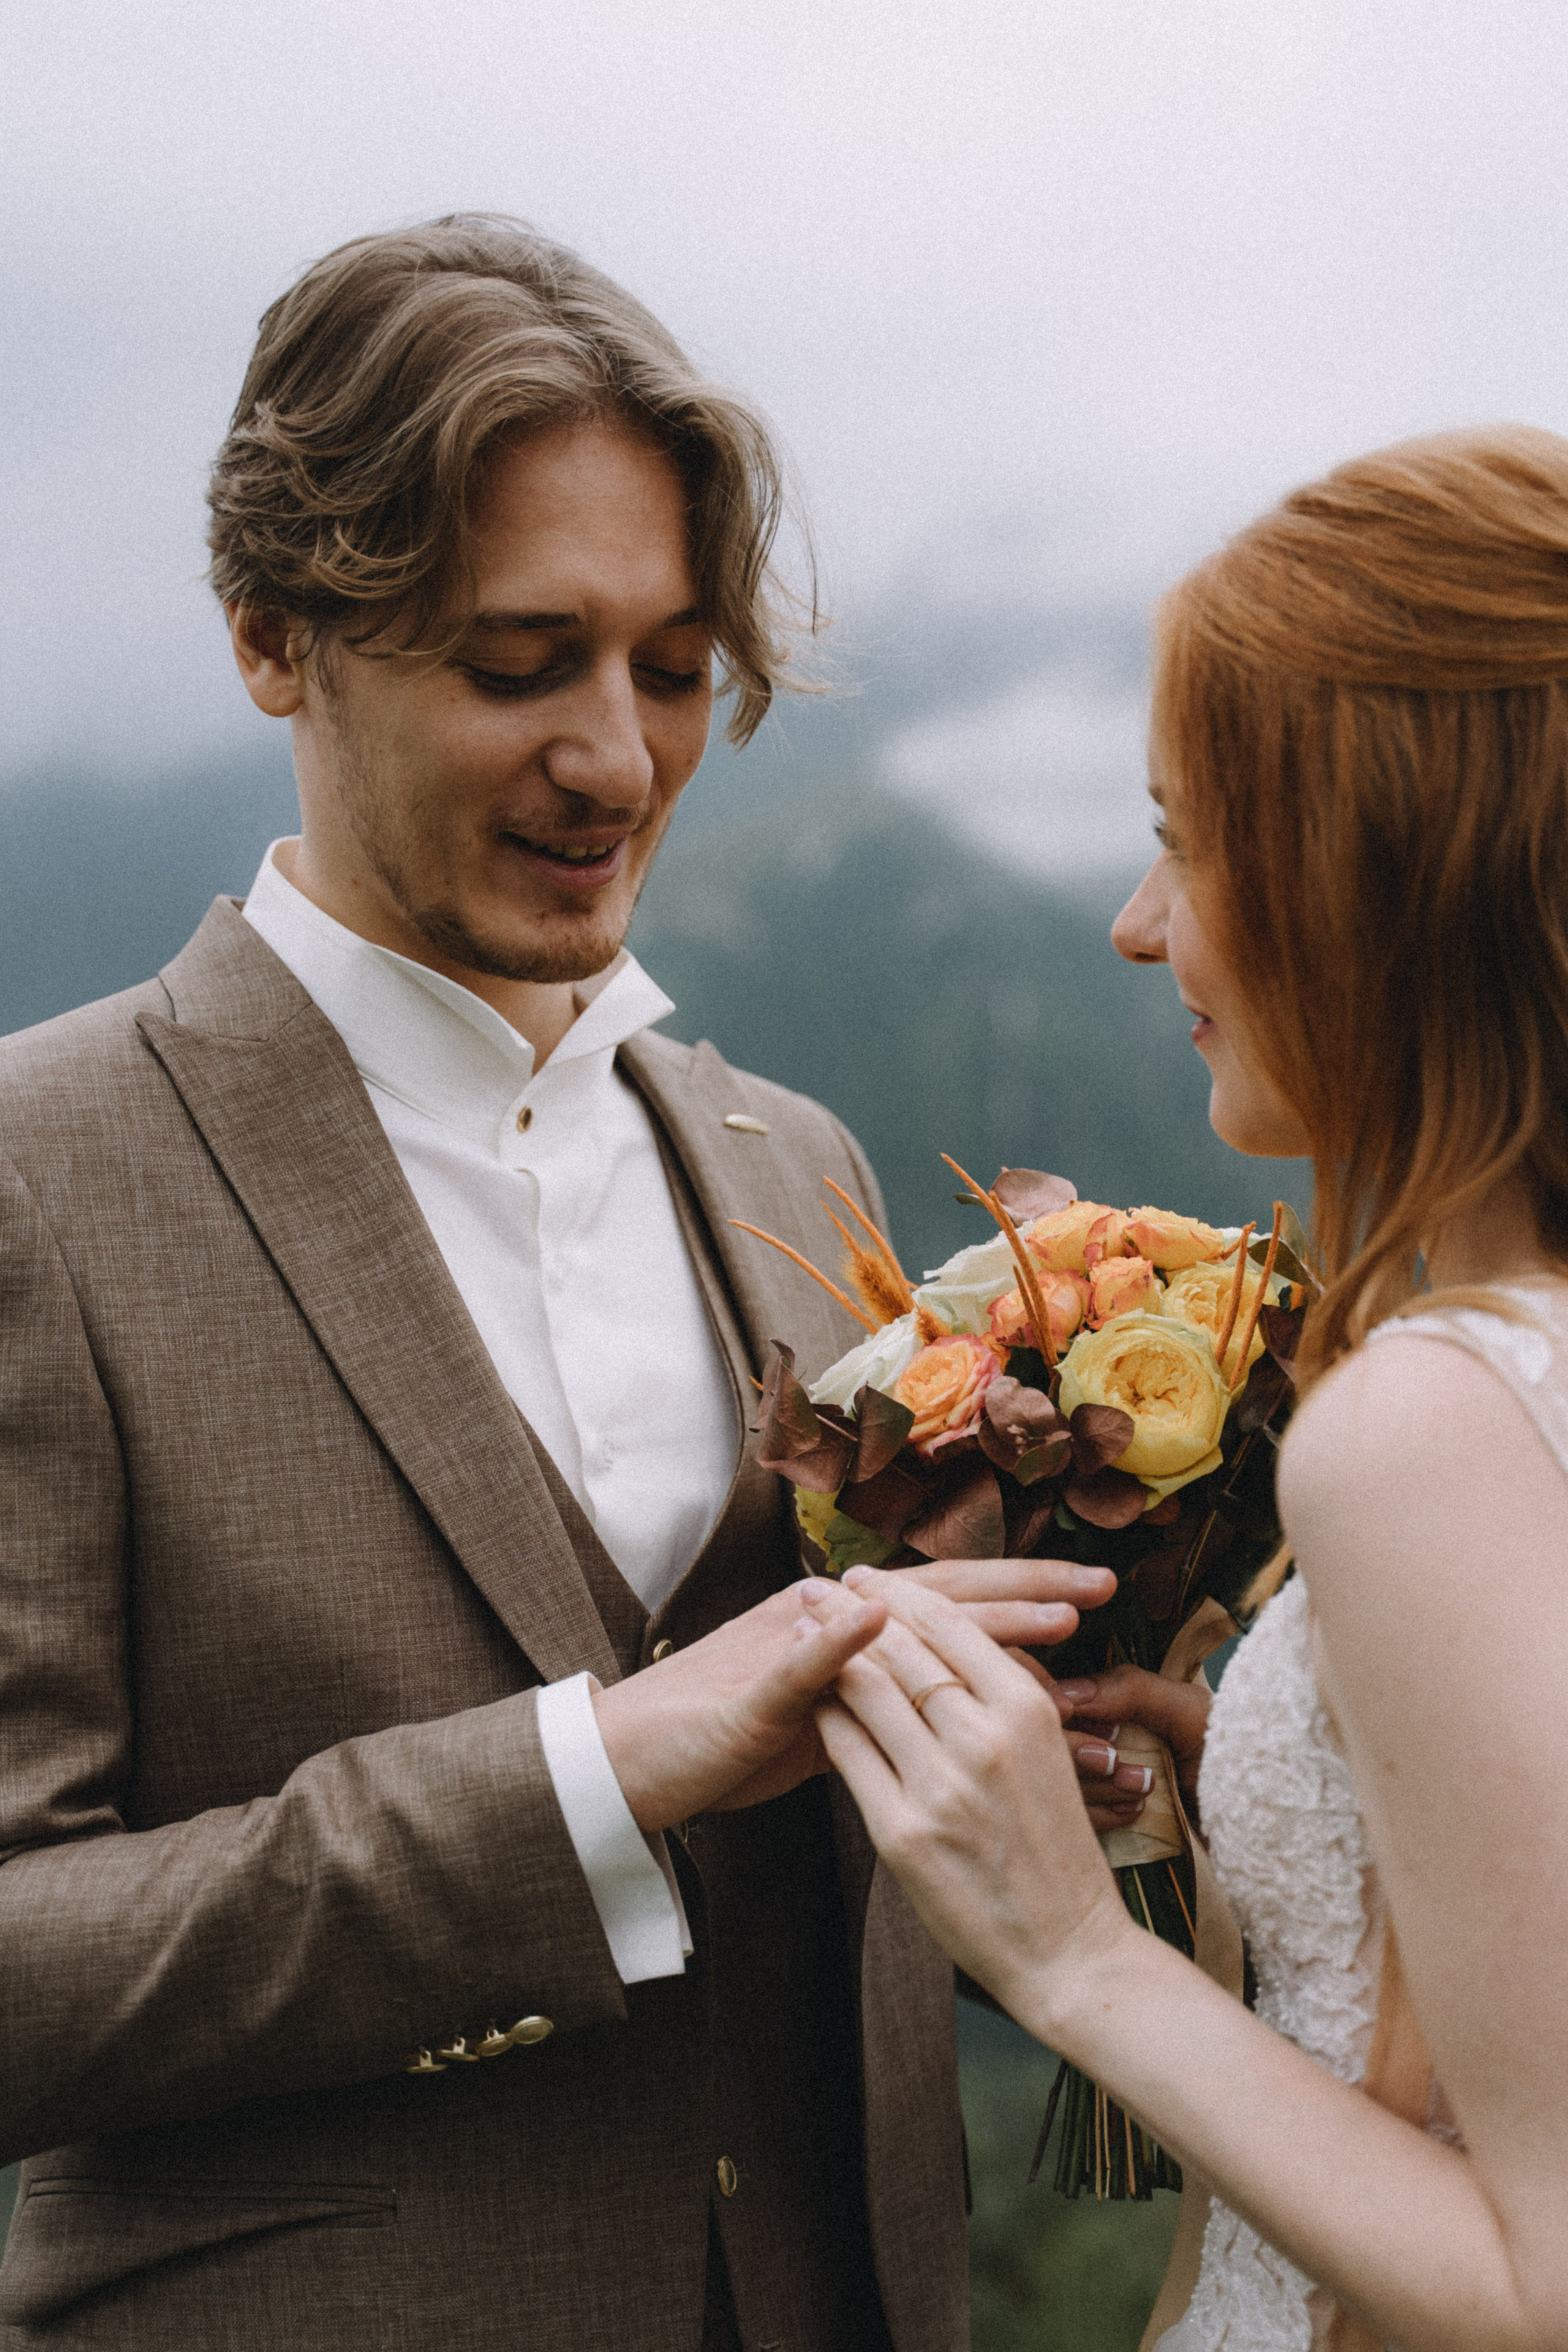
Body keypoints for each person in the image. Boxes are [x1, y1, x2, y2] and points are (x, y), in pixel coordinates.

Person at [0, 216, 1119, 2351]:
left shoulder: (805, 1164)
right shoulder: (36, 1179)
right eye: (520, 664)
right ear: (268, 633)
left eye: (676, 669)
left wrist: (1062, 1760)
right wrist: (590, 1773)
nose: (617, 758)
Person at [806, 429, 1568, 2352]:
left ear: (1367, 877)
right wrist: (1261, 1850)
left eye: (1187, 842)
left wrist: (1070, 1954)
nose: (1141, 926)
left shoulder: (1431, 1424)